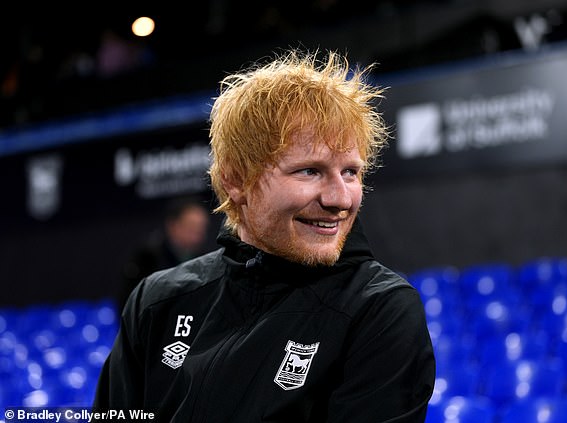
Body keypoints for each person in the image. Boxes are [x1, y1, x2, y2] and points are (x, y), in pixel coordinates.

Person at [94, 49, 436, 422]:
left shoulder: (380, 310)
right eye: (309, 171)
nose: (340, 198)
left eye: (351, 172)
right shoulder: (156, 301)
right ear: (236, 180)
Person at [117, 196, 211, 312]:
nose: (198, 236)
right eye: (192, 228)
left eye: (201, 229)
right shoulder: (147, 258)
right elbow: (129, 304)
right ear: (173, 226)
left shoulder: (208, 261)